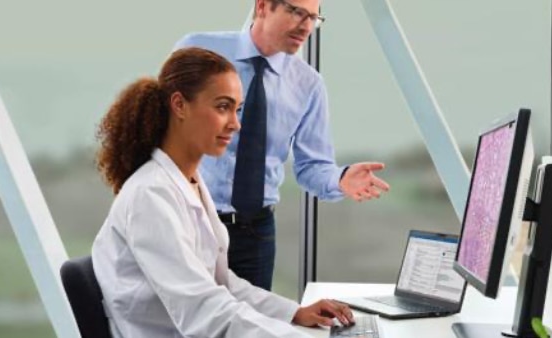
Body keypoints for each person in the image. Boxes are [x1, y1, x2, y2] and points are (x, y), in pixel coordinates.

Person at [91, 47, 354, 338]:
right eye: (222, 107)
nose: (236, 123)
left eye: (237, 109)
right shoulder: (149, 196)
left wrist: (293, 313)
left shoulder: (188, 181)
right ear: (179, 105)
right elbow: (203, 311)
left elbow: (220, 284)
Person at [174, 0, 391, 291]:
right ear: (263, 6)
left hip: (255, 234)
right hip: (191, 220)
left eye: (314, 18)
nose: (306, 26)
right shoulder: (199, 50)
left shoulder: (308, 84)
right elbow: (159, 125)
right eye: (297, 12)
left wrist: (340, 179)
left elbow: (313, 166)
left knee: (252, 326)